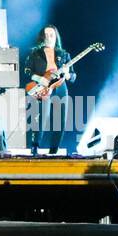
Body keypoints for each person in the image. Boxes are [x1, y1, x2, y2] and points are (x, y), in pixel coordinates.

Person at [24, 24, 76, 156]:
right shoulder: (35, 53)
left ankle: (54, 150)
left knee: (60, 119)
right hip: (43, 87)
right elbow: (26, 71)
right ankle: (35, 147)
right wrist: (38, 78)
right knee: (41, 118)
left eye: (51, 35)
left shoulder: (64, 54)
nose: (49, 37)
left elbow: (73, 76)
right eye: (46, 35)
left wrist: (67, 73)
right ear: (42, 37)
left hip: (60, 87)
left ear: (56, 37)